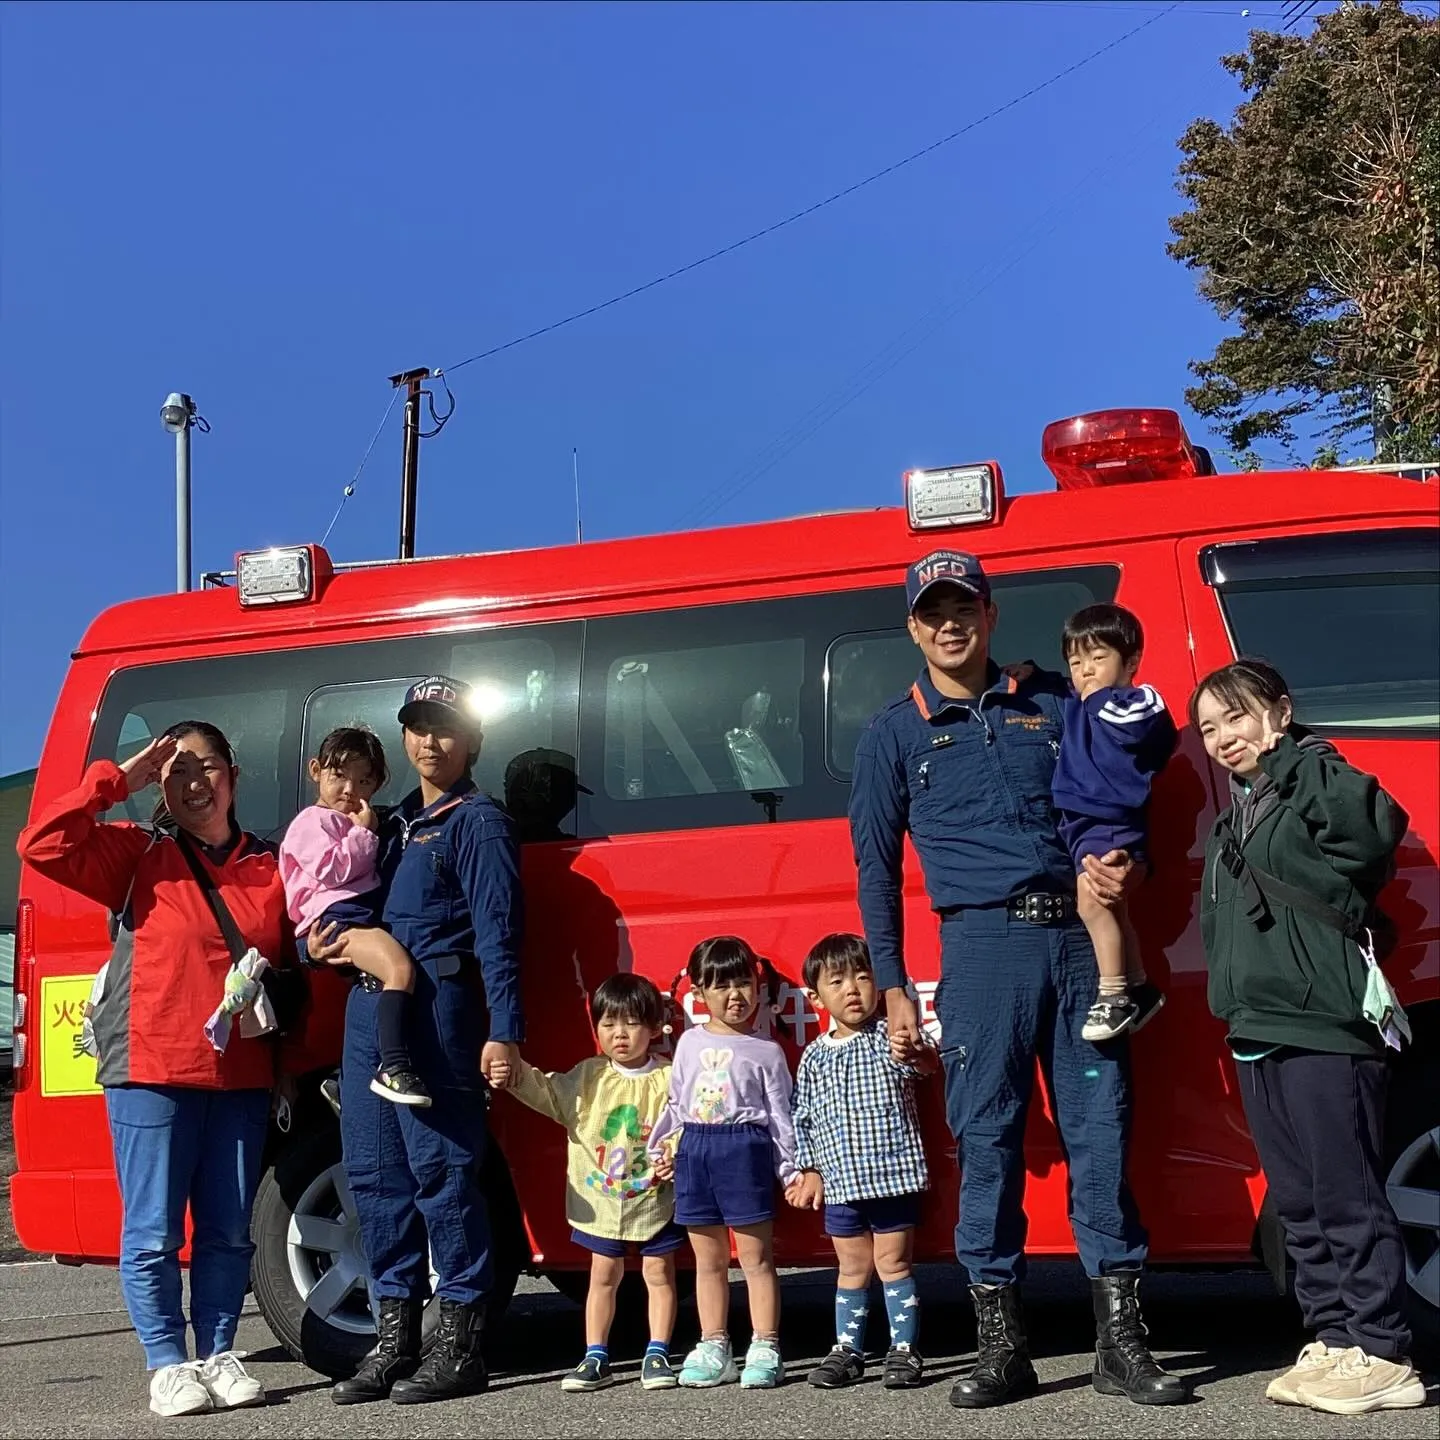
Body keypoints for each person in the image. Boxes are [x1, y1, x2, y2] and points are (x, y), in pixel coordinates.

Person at [848, 549, 1185, 1410]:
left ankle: (1122, 1345)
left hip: (1079, 949)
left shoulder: (1055, 702)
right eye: (934, 611)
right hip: (983, 957)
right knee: (989, 1140)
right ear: (915, 627)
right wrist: (892, 986)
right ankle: (1002, 1350)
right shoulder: (893, 732)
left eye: (967, 606)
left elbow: (1119, 799)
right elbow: (876, 872)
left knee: (1100, 1133)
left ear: (991, 616)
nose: (951, 621)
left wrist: (1127, 870)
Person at [17, 721, 296, 1417]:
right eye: (175, 771)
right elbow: (41, 844)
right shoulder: (138, 853)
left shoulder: (270, 863)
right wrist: (119, 778)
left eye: (204, 766)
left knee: (230, 1230)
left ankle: (220, 1353)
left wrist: (285, 1065)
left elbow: (291, 968)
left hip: (240, 1073)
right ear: (160, 786)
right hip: (150, 1063)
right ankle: (167, 1363)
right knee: (152, 1230)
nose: (192, 782)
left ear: (233, 773)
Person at [1191, 659, 1423, 1417]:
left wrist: (1296, 759)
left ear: (1279, 713)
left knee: (1347, 1193)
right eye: (1210, 728)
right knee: (1298, 1201)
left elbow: (1377, 826)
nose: (1225, 737)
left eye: (1237, 717)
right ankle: (1333, 1337)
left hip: (1324, 1019)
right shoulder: (1239, 813)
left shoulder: (1312, 775)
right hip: (1256, 1025)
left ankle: (1385, 1350)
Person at [313, 676, 524, 1408]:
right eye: (416, 728)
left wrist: (506, 1032)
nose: (428, 741)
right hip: (369, 1014)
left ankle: (460, 1344)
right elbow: (339, 899)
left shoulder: (479, 822)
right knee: (373, 1179)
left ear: (471, 741)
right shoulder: (390, 821)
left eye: (444, 728)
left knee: (442, 1174)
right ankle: (394, 1343)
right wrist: (319, 942)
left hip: (437, 1010)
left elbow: (500, 937)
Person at [506, 972, 681, 1392]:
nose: (619, 1034)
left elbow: (686, 1120)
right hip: (602, 1200)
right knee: (602, 1275)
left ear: (655, 1027)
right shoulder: (588, 1076)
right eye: (608, 1024)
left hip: (656, 1199)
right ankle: (595, 1355)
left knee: (660, 1274)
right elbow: (547, 1092)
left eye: (632, 1023)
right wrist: (511, 1071)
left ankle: (657, 1352)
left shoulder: (669, 1076)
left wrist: (674, 1151)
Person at [788, 933, 935, 1392]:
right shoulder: (813, 1056)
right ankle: (848, 1350)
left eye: (863, 977)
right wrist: (809, 1169)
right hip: (842, 1184)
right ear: (815, 996)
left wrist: (917, 1051)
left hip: (893, 1177)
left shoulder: (890, 1036)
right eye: (837, 981)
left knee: (893, 1264)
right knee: (851, 1269)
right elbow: (803, 1118)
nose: (852, 989)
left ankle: (904, 1349)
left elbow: (928, 1065)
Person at [649, 936, 797, 1390]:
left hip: (745, 1151)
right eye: (721, 986)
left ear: (758, 987)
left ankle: (766, 1343)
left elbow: (780, 1119)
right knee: (707, 1261)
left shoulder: (768, 1052)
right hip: (696, 1149)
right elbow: (677, 1102)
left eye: (744, 983)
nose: (735, 995)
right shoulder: (689, 1044)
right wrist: (663, 1148)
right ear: (699, 993)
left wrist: (791, 1170)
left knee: (756, 1258)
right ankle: (714, 1344)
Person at [279, 726, 428, 1106]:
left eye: (363, 780)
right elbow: (332, 870)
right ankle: (394, 1068)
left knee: (380, 988)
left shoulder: (353, 822)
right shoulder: (311, 823)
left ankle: (345, 1080)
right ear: (316, 770)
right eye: (339, 776)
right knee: (399, 970)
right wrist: (363, 835)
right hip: (336, 920)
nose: (349, 790)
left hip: (353, 916)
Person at [1051, 604, 1177, 1043]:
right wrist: (1034, 674)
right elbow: (1068, 696)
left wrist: (1101, 696)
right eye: (1075, 661)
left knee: (1092, 898)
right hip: (1082, 824)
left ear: (1132, 661)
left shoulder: (1131, 701)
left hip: (1111, 820)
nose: (1085, 671)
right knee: (1112, 906)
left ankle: (1113, 996)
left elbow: (1143, 726)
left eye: (1097, 658)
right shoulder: (1080, 704)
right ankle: (1138, 985)